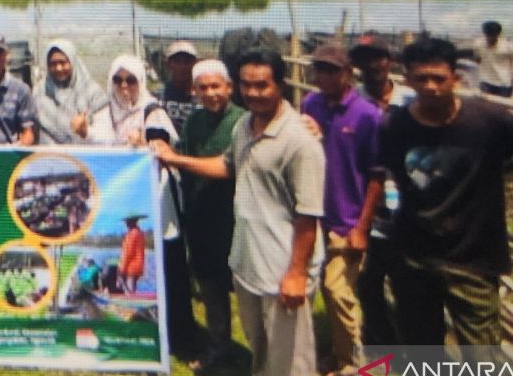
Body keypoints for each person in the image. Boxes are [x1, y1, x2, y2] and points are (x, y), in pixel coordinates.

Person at [382, 37, 513, 346]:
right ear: (407, 79)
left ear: (455, 78)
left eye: (439, 78)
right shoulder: (393, 127)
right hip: (414, 257)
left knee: (482, 354)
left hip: (473, 260)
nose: (431, 86)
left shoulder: (489, 121)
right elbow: (373, 173)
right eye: (421, 78)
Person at [153, 49, 325, 376]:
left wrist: (297, 273)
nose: (253, 93)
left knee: (292, 361)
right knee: (261, 354)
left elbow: (309, 215)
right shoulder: (245, 126)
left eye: (262, 85)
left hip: (283, 267)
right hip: (249, 265)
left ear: (280, 85)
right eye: (248, 85)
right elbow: (226, 164)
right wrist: (174, 159)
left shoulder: (300, 141)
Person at [95, 54, 198, 358]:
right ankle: (134, 329)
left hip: (157, 203)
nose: (124, 86)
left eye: (131, 80)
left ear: (141, 81)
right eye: (118, 79)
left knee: (169, 268)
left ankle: (178, 337)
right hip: (119, 203)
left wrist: (144, 148)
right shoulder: (103, 114)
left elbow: (161, 149)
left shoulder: (152, 113)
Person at [301, 43, 382, 376]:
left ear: (348, 73)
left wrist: (362, 227)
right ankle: (334, 354)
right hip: (311, 214)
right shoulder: (310, 104)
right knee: (318, 288)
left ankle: (352, 363)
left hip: (346, 219)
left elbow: (377, 174)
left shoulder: (368, 115)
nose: (324, 76)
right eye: (319, 69)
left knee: (337, 291)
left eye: (332, 70)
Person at [348, 33, 415, 349]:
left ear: (390, 61)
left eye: (378, 57)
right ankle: (380, 341)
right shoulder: (351, 102)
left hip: (410, 206)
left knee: (409, 285)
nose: (372, 65)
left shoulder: (411, 101)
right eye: (364, 59)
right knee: (368, 283)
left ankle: (411, 347)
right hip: (366, 206)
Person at [180, 59, 246, 373]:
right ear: (195, 91)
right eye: (203, 88)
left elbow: (226, 166)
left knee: (246, 292)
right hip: (202, 219)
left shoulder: (243, 122)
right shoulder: (193, 122)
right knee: (211, 291)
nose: (210, 93)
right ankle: (219, 349)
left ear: (229, 88)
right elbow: (181, 155)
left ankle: (260, 351)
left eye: (216, 86)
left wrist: (176, 159)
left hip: (236, 220)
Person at [33, 39, 108, 144]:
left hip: (85, 157)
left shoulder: (92, 91)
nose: (58, 68)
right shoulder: (39, 92)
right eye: (53, 64)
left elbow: (105, 134)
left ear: (72, 62)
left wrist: (85, 131)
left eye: (63, 62)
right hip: (49, 156)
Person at [472, 20, 513, 98]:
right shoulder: (478, 44)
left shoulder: (508, 46)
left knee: (502, 108)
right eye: (487, 35)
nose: (489, 38)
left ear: (498, 35)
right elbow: (477, 59)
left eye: (492, 36)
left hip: (503, 84)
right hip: (485, 82)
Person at [161, 40, 200, 134]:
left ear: (195, 64)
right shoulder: (159, 97)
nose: (182, 67)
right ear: (168, 65)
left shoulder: (203, 95)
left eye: (187, 62)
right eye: (177, 61)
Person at [119, 215, 147, 293]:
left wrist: (122, 269)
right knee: (132, 288)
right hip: (139, 266)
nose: (126, 224)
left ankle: (130, 302)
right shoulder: (140, 233)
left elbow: (127, 253)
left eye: (127, 222)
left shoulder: (131, 235)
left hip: (131, 267)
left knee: (129, 290)